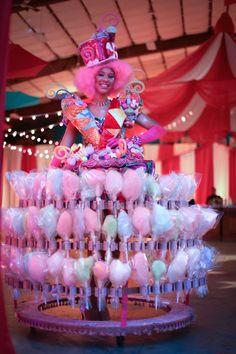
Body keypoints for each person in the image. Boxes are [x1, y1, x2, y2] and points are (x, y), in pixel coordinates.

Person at [50, 22, 165, 168]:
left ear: (117, 80)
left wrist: (129, 142)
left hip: (120, 170)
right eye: (101, 74)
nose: (105, 79)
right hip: (88, 174)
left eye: (111, 76)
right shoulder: (77, 110)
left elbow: (158, 129)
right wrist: (50, 177)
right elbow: (63, 149)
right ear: (91, 77)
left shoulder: (124, 106)